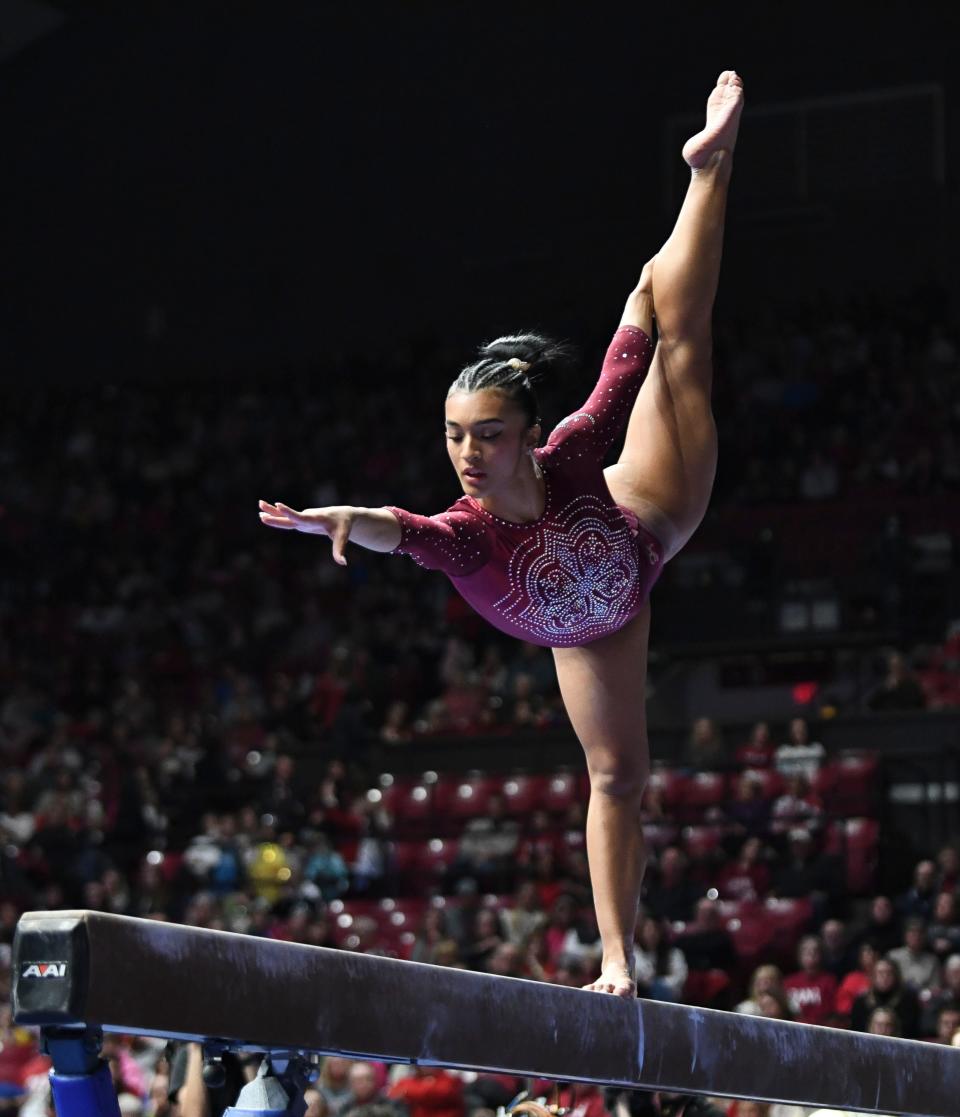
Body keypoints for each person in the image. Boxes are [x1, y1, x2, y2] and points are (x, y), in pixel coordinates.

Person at [259, 71, 746, 996]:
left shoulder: (569, 454)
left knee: (683, 333)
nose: (467, 454)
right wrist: (337, 518)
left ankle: (711, 169)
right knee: (617, 779)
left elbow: (620, 370)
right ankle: (616, 961)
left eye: (486, 434)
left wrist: (642, 301)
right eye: (452, 436)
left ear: (526, 433)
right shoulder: (466, 536)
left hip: (648, 522)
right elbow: (397, 528)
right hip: (591, 628)